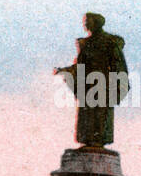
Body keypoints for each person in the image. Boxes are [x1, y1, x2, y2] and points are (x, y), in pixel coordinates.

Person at [54, 12, 128, 147]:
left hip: (103, 85)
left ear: (97, 23)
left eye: (88, 21)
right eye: (85, 21)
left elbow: (119, 65)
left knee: (100, 117)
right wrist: (66, 71)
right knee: (86, 118)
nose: (86, 24)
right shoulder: (85, 43)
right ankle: (88, 141)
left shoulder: (110, 42)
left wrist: (120, 86)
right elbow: (80, 66)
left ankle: (98, 142)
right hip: (87, 86)